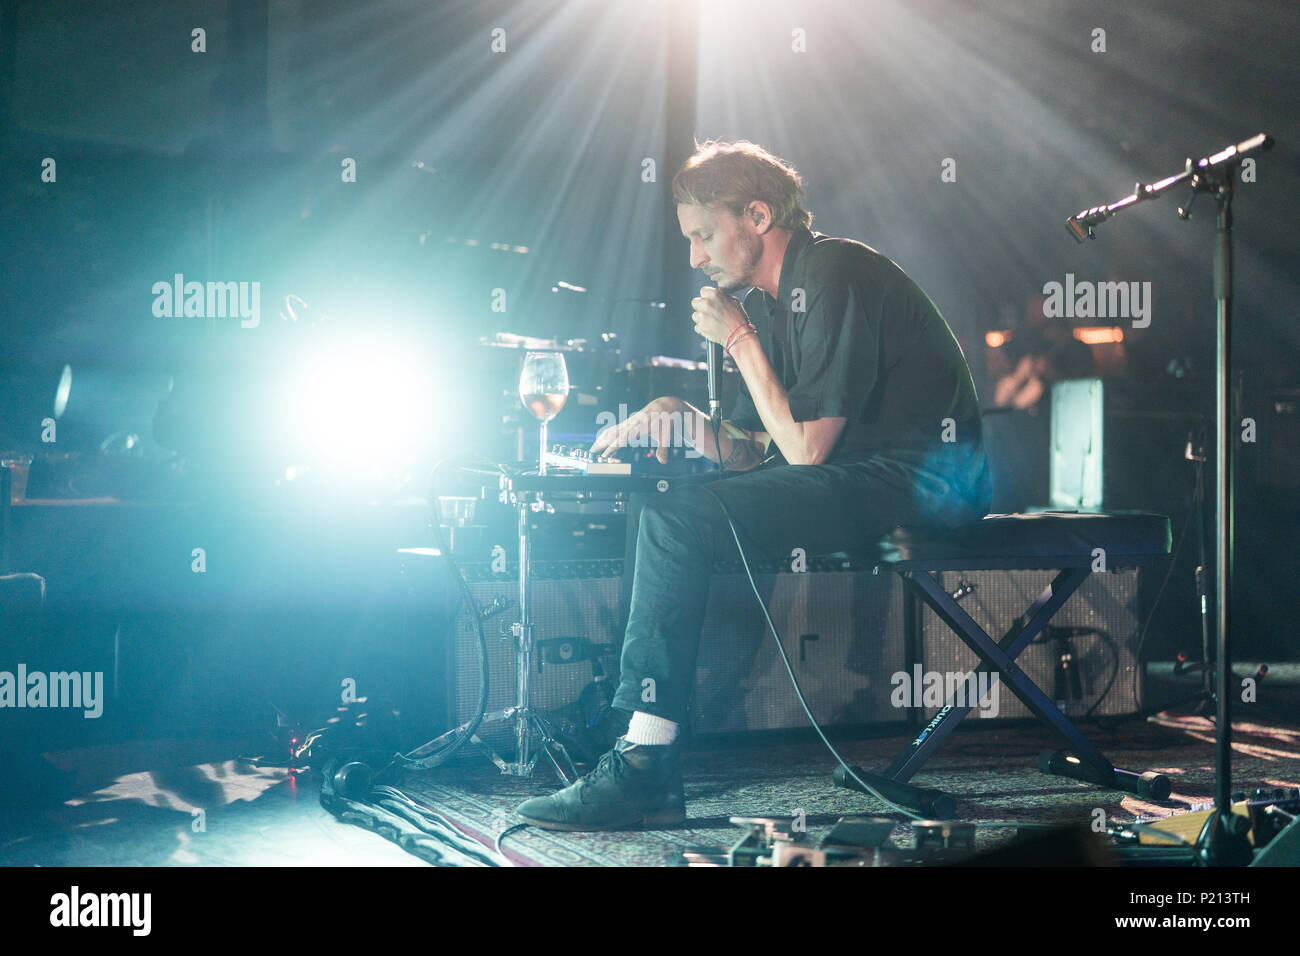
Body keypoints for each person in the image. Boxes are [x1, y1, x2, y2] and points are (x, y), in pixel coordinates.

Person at [515, 140, 991, 831]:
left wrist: (738, 342)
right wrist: (683, 420)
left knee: (682, 519)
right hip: (860, 476)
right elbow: (754, 452)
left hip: (929, 482)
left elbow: (805, 450)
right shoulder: (768, 307)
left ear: (758, 215)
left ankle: (646, 763)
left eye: (703, 234)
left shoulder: (832, 272)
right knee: (663, 507)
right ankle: (631, 729)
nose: (695, 257)